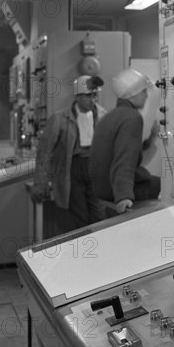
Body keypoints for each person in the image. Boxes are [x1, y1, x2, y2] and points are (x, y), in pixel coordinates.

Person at [31, 75, 106, 233]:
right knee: (80, 218)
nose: (92, 100)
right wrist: (40, 182)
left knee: (99, 215)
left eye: (94, 95)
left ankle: (99, 252)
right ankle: (83, 253)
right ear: (77, 97)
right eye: (88, 96)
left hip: (95, 168)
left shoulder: (102, 115)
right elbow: (45, 151)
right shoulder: (60, 119)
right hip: (73, 169)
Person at [89, 68, 160, 214]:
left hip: (101, 188)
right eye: (143, 92)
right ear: (132, 95)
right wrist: (123, 196)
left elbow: (122, 148)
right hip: (114, 190)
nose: (146, 96)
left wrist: (151, 139)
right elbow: (124, 159)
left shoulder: (109, 117)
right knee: (165, 186)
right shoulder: (132, 117)